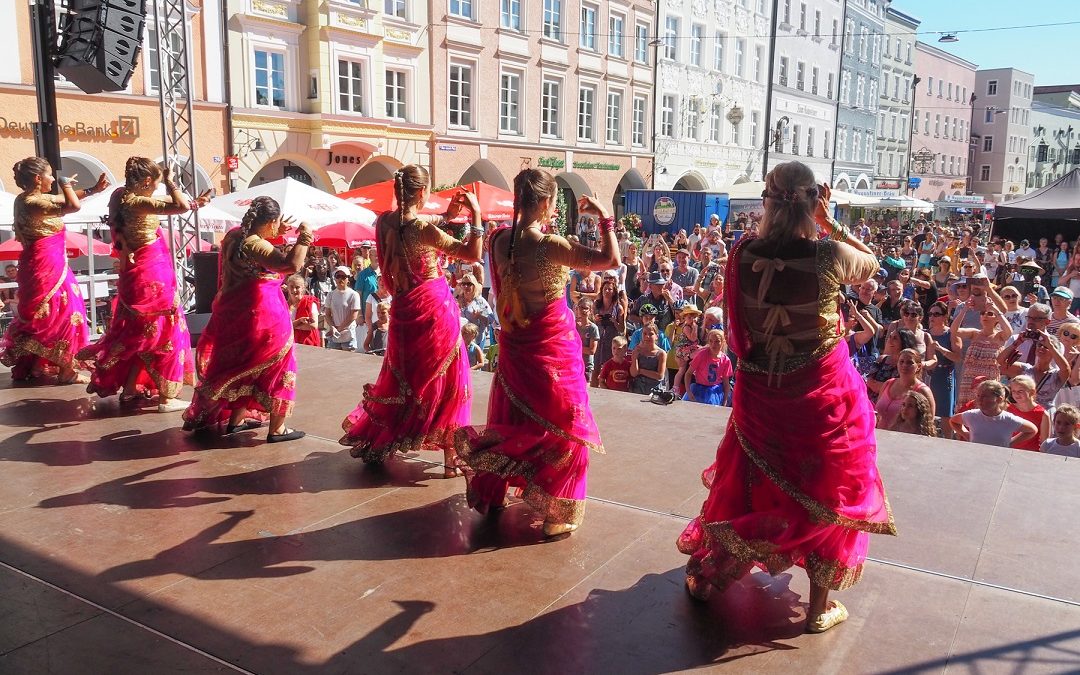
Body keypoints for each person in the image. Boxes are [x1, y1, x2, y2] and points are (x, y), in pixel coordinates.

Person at [677, 163, 895, 634]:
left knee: (752, 480)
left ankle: (716, 571)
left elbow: (739, 329)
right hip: (821, 395)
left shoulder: (740, 254)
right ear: (812, 200)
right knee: (828, 489)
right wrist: (828, 217)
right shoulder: (830, 254)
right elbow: (874, 263)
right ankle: (818, 608)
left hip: (762, 394)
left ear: (768, 202)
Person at [454, 168, 618, 537]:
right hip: (552, 349)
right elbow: (610, 261)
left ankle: (495, 494)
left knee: (515, 418)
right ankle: (557, 513)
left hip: (515, 345)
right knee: (565, 425)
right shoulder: (549, 246)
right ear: (546, 203)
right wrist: (605, 217)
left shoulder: (499, 241)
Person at [339, 166, 482, 476]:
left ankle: (383, 441)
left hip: (404, 308)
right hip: (432, 309)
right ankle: (450, 461)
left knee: (405, 376)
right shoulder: (422, 229)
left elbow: (411, 234)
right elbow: (470, 253)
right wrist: (477, 218)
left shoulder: (384, 222)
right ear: (421, 192)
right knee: (449, 378)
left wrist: (446, 216)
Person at [78, 157, 203, 412]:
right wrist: (171, 183)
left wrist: (191, 201)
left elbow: (164, 205)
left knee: (139, 335)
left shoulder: (119, 197)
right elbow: (178, 206)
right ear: (146, 181)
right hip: (151, 273)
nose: (157, 188)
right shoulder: (138, 202)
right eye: (156, 184)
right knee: (161, 333)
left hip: (134, 272)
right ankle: (167, 398)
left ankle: (131, 388)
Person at [182, 197, 312, 441]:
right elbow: (290, 264)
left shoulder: (233, 236)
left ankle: (236, 419)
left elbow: (256, 251)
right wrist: (304, 237)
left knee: (246, 367)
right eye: (275, 225)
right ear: (271, 222)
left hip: (238, 315)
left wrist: (271, 234)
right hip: (264, 316)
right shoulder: (254, 244)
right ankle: (278, 428)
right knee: (279, 367)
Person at [0, 158, 105, 383]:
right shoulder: (32, 203)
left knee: (50, 317)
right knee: (65, 314)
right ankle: (67, 371)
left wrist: (92, 190)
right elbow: (71, 205)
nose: (52, 180)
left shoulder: (27, 200)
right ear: (38, 179)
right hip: (46, 267)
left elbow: (62, 199)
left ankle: (39, 366)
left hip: (47, 265)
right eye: (49, 175)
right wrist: (65, 183)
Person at [951, 380, 1038, 448]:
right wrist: (967, 435)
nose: (979, 399)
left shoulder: (1009, 419)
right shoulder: (971, 415)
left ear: (999, 399)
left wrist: (1011, 442)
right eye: (978, 396)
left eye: (985, 396)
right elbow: (953, 421)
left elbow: (1032, 430)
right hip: (975, 458)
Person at [875, 348, 935, 429]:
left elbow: (929, 422)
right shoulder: (888, 384)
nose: (904, 365)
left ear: (919, 366)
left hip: (905, 438)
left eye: (909, 362)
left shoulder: (923, 391)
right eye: (901, 362)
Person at [682, 329, 732, 405]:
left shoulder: (726, 360)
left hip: (714, 392)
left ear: (723, 342)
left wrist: (725, 400)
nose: (713, 344)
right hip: (699, 390)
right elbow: (688, 373)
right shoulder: (702, 355)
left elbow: (726, 383)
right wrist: (689, 392)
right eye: (711, 341)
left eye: (717, 341)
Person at [1005, 375, 1050, 451]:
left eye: (1020, 391)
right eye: (1013, 391)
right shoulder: (1007, 409)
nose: (1016, 394)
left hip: (1031, 454)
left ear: (1032, 392)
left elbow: (1044, 443)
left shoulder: (1043, 414)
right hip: (1009, 451)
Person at [324, 266, 364, 351]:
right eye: (338, 276)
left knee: (348, 361)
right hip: (334, 335)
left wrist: (338, 329)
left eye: (343, 277)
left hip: (348, 334)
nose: (340, 279)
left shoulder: (354, 294)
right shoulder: (330, 295)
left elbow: (353, 315)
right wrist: (333, 327)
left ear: (348, 279)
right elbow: (327, 314)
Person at [285, 274, 322, 347]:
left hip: (307, 344)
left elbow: (313, 325)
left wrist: (290, 326)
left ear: (302, 288)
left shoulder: (310, 303)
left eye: (297, 287)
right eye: (291, 287)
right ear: (287, 288)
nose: (294, 290)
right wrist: (299, 322)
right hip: (290, 344)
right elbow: (281, 326)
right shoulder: (284, 305)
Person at [630, 323, 666, 394]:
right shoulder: (637, 351)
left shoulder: (661, 354)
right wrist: (635, 358)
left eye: (651, 334)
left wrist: (641, 371)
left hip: (654, 390)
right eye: (645, 334)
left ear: (656, 336)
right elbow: (634, 373)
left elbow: (660, 376)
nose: (647, 336)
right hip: (638, 388)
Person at [576, 298, 600, 383]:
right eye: (581, 307)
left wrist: (575, 348)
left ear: (590, 310)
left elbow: (592, 350)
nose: (583, 310)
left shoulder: (593, 328)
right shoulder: (573, 326)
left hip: (586, 365)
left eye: (586, 308)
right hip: (574, 364)